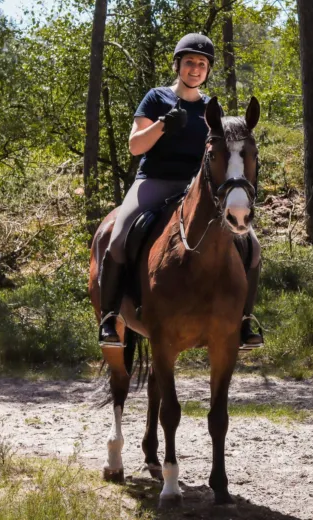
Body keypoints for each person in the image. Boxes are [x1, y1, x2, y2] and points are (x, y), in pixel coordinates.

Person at [97, 33, 264, 351]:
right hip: (154, 182)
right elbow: (135, 146)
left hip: (197, 192)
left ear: (208, 70)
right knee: (117, 238)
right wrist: (162, 125)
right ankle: (109, 317)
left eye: (202, 64)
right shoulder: (156, 98)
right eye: (189, 62)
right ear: (178, 65)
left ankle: (243, 321)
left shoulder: (211, 108)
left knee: (251, 246)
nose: (195, 68)